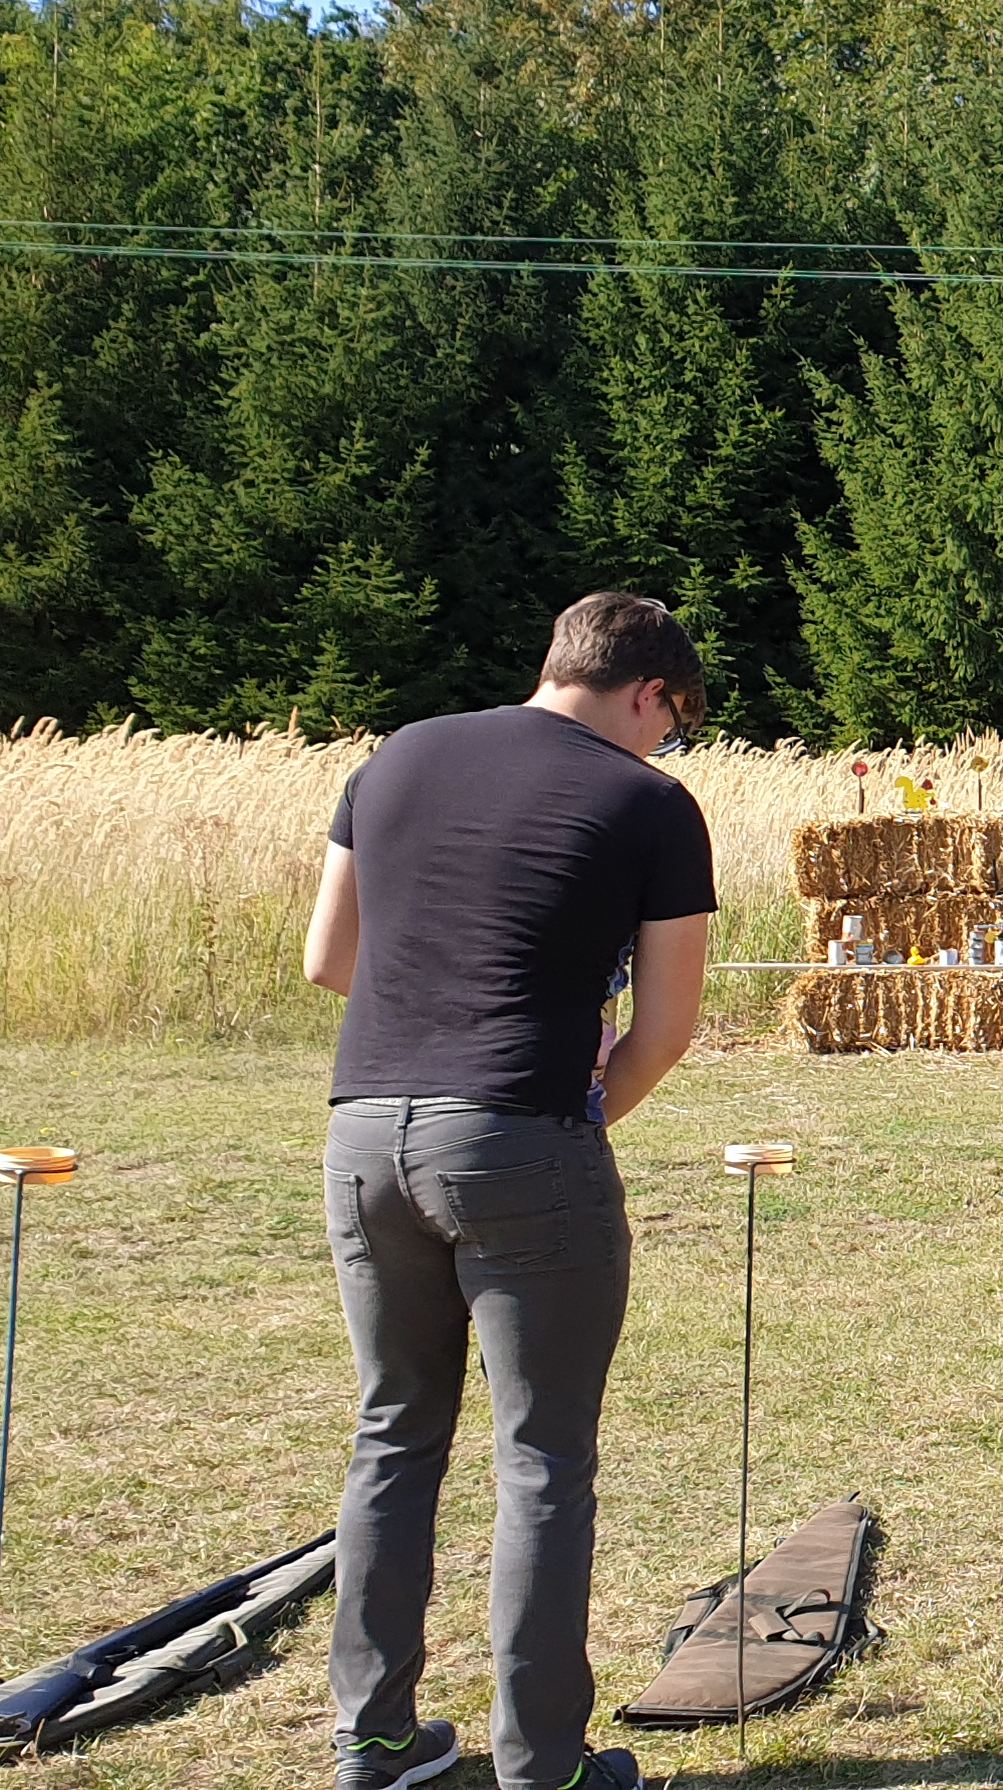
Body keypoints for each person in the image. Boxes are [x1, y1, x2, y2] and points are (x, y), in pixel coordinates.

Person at [300, 593, 718, 1790]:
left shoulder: (397, 755)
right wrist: (572, 1116)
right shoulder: (650, 802)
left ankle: (376, 1740)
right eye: (674, 721)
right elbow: (667, 1026)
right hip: (521, 1136)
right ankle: (542, 1764)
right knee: (541, 1456)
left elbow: (328, 959)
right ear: (647, 692)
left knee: (393, 1435)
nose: (668, 742)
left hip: (364, 1129)